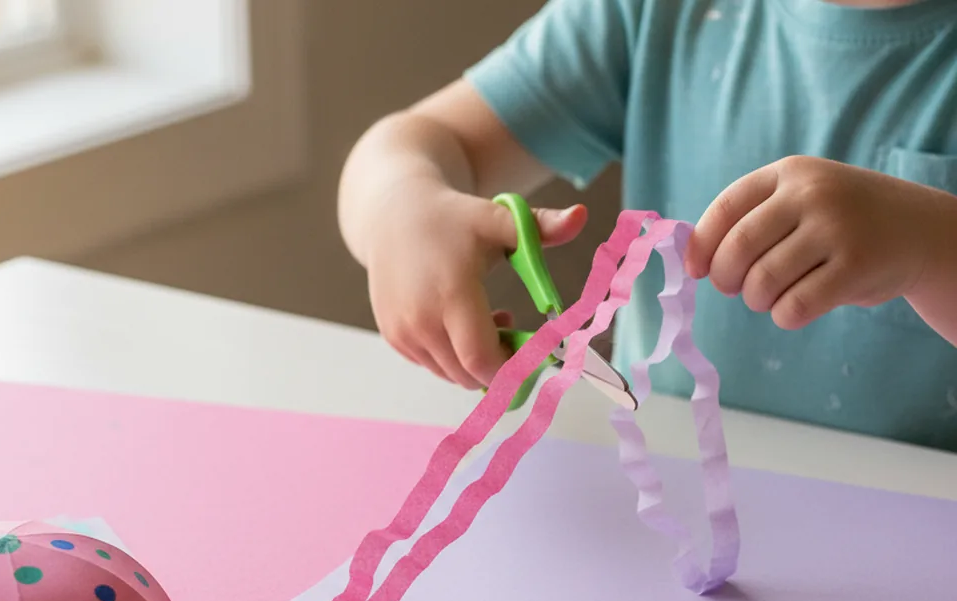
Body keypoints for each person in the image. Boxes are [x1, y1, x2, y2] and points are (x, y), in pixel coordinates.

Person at [337, 0, 957, 452]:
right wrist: (399, 206)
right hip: (663, 485)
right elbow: (413, 143)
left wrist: (931, 245)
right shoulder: (646, 13)